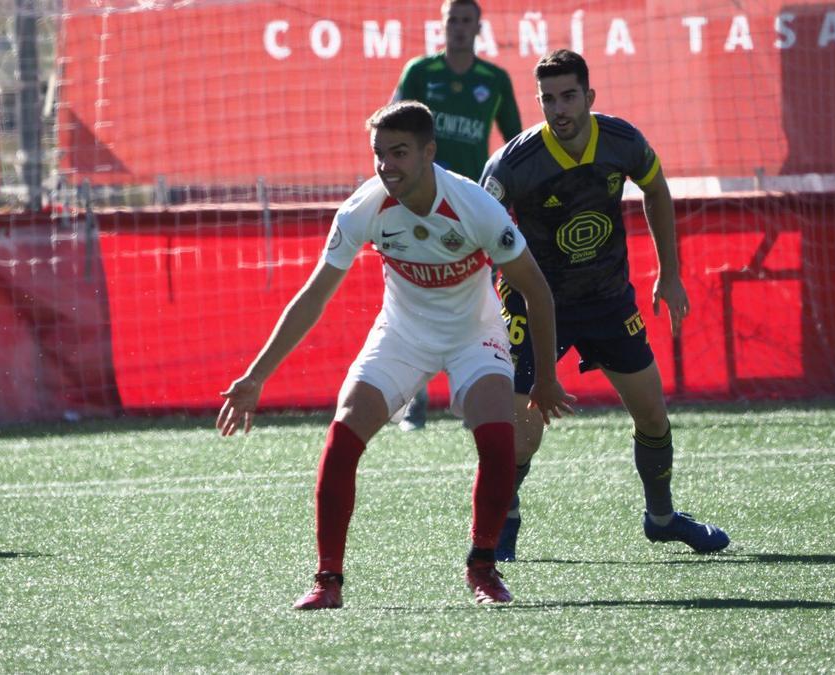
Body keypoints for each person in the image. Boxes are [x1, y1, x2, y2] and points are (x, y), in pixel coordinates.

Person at [217, 101, 574, 609]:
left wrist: (546, 379)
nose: (387, 166)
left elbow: (537, 291)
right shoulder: (364, 207)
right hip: (402, 334)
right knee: (343, 436)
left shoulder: (475, 207)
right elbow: (314, 296)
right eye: (379, 154)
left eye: (400, 153)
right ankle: (327, 582)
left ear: (430, 152)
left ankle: (482, 568)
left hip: (475, 334)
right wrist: (256, 377)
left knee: (499, 441)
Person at [479, 49, 730, 561]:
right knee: (522, 439)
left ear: (589, 96)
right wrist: (478, 298)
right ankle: (504, 519)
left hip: (609, 301)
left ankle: (661, 519)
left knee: (654, 417)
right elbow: (481, 228)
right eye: (548, 99)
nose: (559, 109)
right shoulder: (513, 163)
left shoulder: (622, 141)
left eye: (569, 96)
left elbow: (656, 190)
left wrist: (670, 273)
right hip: (536, 305)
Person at [391, 0, 523, 431]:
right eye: (453, 20)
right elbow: (391, 132)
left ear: (478, 27)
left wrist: (514, 203)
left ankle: (474, 396)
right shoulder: (421, 74)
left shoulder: (495, 80)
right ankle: (414, 401)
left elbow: (515, 148)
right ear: (443, 25)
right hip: (419, 203)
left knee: (480, 297)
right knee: (412, 292)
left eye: (467, 21)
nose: (460, 28)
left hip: (473, 208)